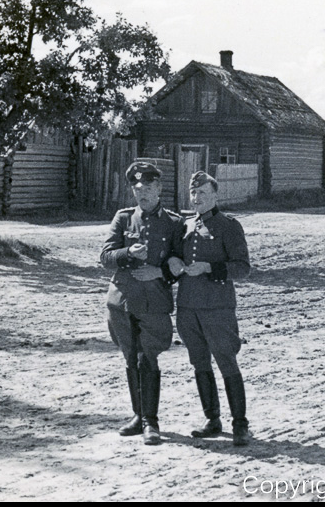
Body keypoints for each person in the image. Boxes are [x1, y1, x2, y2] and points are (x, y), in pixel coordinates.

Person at [167, 171, 252, 446]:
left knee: (226, 361)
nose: (197, 197)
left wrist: (210, 268)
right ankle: (212, 420)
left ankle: (240, 425)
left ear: (216, 196)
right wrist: (174, 264)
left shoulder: (228, 226)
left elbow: (242, 268)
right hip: (188, 306)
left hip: (217, 308)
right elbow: (174, 256)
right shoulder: (185, 225)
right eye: (193, 193)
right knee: (199, 363)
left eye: (203, 193)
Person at [100, 162, 181, 446]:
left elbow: (182, 263)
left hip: (154, 302)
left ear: (159, 189)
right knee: (129, 356)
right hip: (121, 302)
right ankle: (137, 415)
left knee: (148, 358)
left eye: (148, 188)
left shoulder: (174, 223)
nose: (142, 194)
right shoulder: (122, 219)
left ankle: (151, 421)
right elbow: (106, 257)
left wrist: (159, 271)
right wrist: (128, 253)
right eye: (138, 189)